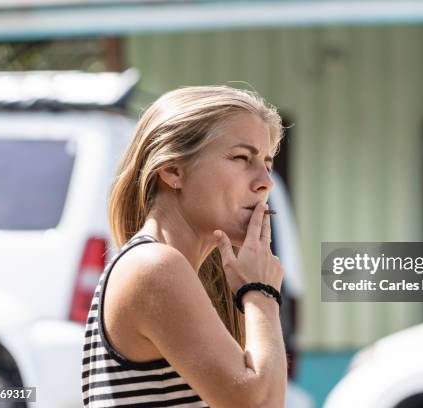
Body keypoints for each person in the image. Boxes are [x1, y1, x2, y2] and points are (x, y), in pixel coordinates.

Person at [81, 85, 287, 407]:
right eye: (242, 157)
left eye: (267, 163)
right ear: (173, 170)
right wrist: (261, 292)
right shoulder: (153, 267)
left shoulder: (172, 270)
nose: (265, 180)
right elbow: (260, 404)